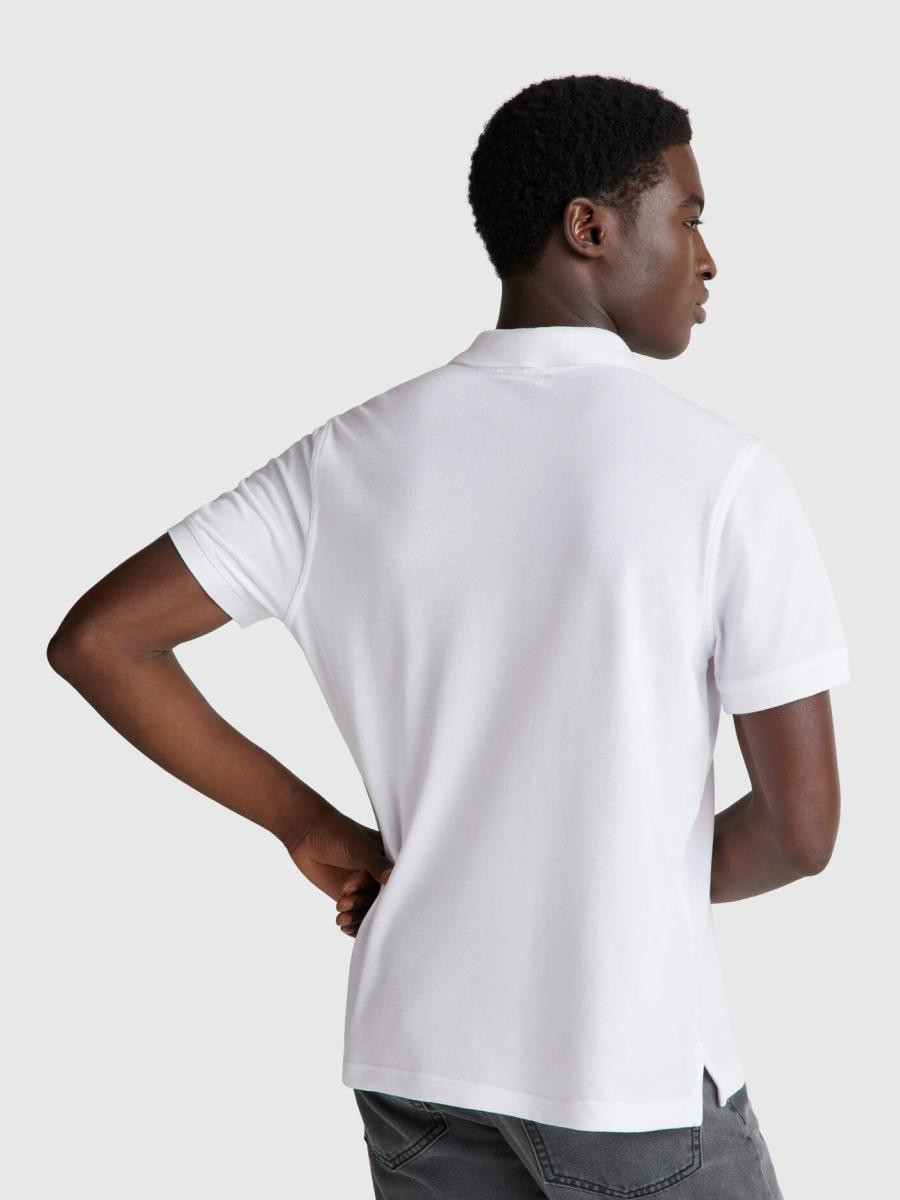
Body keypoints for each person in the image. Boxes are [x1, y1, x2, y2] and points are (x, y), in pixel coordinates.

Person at [47, 74, 849, 1198]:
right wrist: (617, 884)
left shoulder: (346, 460)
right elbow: (800, 833)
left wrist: (306, 824)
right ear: (590, 228)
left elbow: (104, 641)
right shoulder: (723, 477)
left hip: (417, 1064)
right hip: (625, 1073)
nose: (708, 258)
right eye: (690, 217)